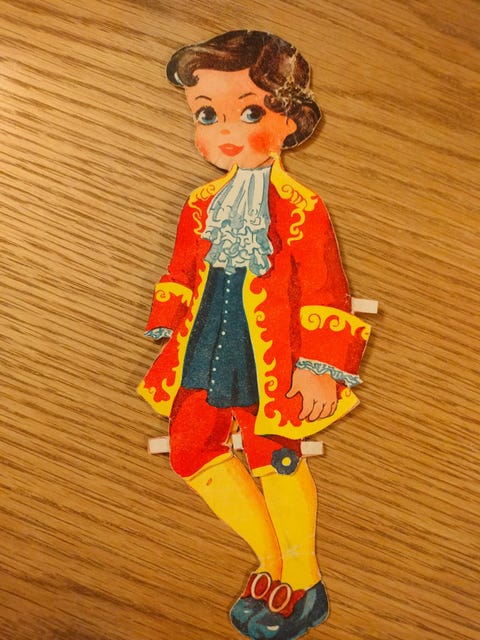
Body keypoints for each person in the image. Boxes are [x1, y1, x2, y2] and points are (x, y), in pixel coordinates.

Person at [138, 30, 370, 640]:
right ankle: (274, 563)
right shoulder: (199, 204)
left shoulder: (302, 208)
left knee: (274, 452)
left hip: (273, 357)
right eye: (206, 115)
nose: (225, 132)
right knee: (191, 448)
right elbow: (181, 270)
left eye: (248, 113)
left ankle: (303, 580)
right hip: (204, 345)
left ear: (291, 121)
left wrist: (319, 366)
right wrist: (167, 316)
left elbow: (325, 288)